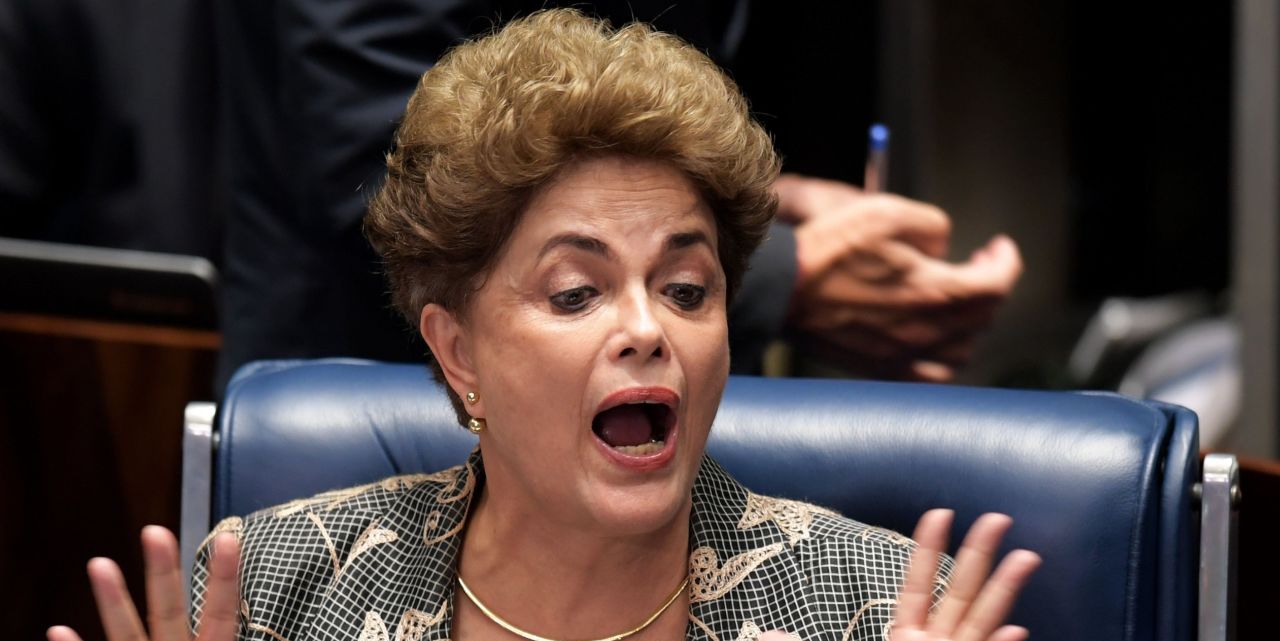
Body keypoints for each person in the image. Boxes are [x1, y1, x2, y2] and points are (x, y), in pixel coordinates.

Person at [46, 10, 1055, 641]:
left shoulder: (880, 618)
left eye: (686, 288)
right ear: (458, 353)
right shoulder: (269, 597)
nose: (646, 330)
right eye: (576, 293)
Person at [212, 0, 1021, 386]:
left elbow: (646, 93)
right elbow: (383, 156)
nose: (647, 326)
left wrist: (773, 195)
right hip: (389, 383)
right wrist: (778, 272)